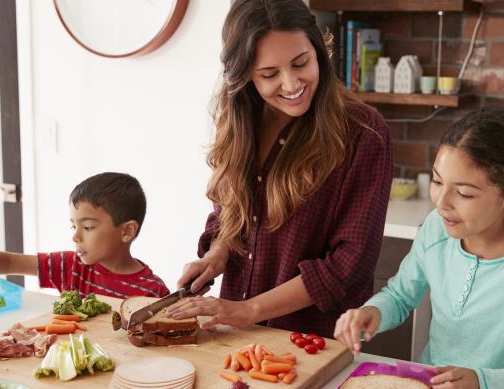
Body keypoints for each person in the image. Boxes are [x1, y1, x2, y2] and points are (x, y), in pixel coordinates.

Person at [334, 108, 504, 389]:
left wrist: (483, 386)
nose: (442, 202)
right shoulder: (436, 228)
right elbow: (400, 294)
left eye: (464, 193)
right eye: (437, 181)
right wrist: (374, 312)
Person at [168, 0, 393, 338]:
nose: (291, 84)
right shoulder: (239, 121)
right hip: (236, 337)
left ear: (318, 51)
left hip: (313, 343)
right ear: (245, 76)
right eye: (269, 74)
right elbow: (230, 212)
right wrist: (216, 255)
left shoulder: (364, 133)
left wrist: (250, 309)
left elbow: (348, 265)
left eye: (300, 63)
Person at [0, 172, 168, 299]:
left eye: (88, 227)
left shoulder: (151, 292)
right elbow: (9, 262)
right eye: (73, 226)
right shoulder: (71, 266)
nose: (76, 237)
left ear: (126, 231)